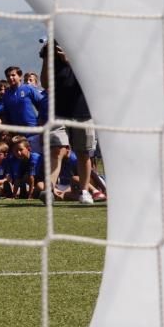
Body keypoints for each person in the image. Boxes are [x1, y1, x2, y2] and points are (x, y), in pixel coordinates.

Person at [39, 39, 98, 204]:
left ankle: (85, 191)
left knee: (83, 152)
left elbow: (92, 80)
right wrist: (46, 58)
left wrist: (69, 61)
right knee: (56, 149)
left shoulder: (87, 50)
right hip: (59, 112)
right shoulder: (52, 54)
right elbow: (45, 83)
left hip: (83, 111)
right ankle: (49, 189)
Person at [2, 66, 46, 153]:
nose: (10, 78)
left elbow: (42, 104)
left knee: (36, 158)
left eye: (13, 75)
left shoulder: (28, 88)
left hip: (33, 132)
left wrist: (41, 121)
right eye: (8, 76)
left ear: (20, 76)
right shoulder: (6, 95)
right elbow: (7, 115)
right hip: (17, 135)